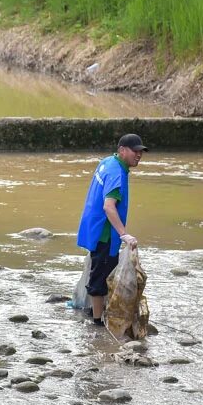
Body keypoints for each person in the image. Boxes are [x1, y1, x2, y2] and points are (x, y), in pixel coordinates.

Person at [75, 133, 147, 326]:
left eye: (141, 151)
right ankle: (97, 323)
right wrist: (124, 234)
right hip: (105, 233)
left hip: (94, 227)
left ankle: (93, 310)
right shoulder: (117, 173)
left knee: (99, 270)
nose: (139, 155)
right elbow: (109, 206)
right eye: (135, 151)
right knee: (102, 278)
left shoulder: (108, 162)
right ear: (122, 150)